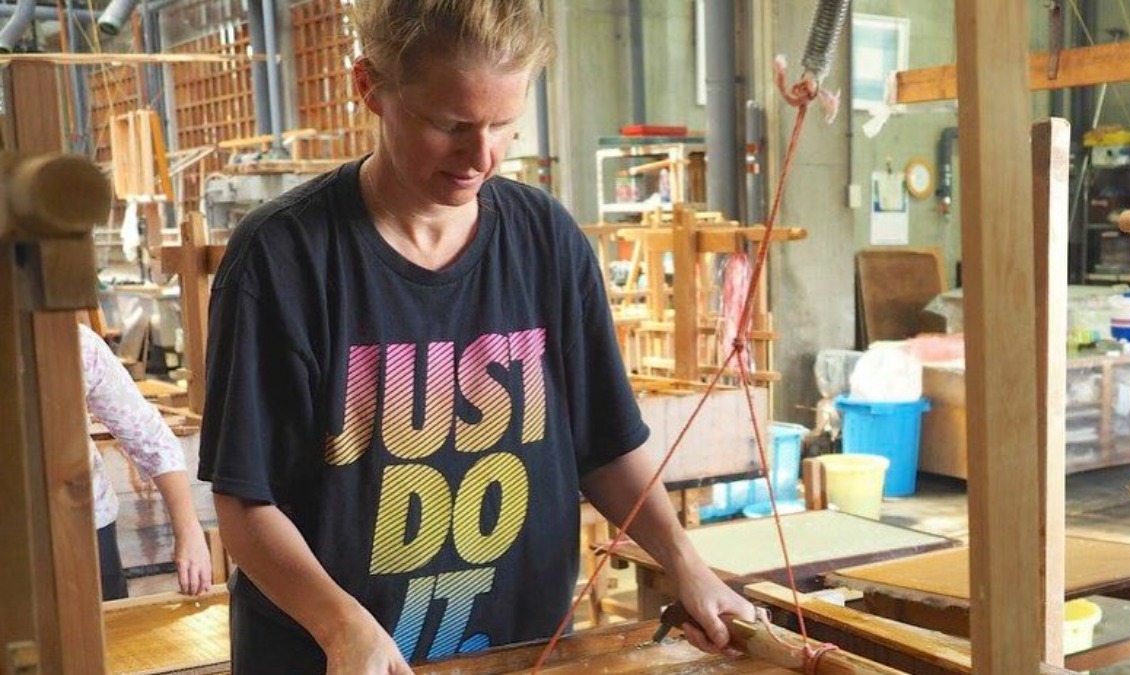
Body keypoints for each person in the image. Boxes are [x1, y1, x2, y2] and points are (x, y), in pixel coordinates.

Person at [197, 1, 754, 673]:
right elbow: (246, 502)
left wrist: (686, 563)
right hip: (331, 658)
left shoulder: (545, 241)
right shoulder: (286, 257)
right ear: (370, 86)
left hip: (518, 653)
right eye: (450, 125)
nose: (481, 157)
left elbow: (606, 444)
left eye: (503, 125)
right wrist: (342, 626)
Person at [81, 322, 212, 600]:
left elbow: (149, 437)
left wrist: (189, 530)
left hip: (85, 528)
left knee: (110, 626)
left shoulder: (77, 345)